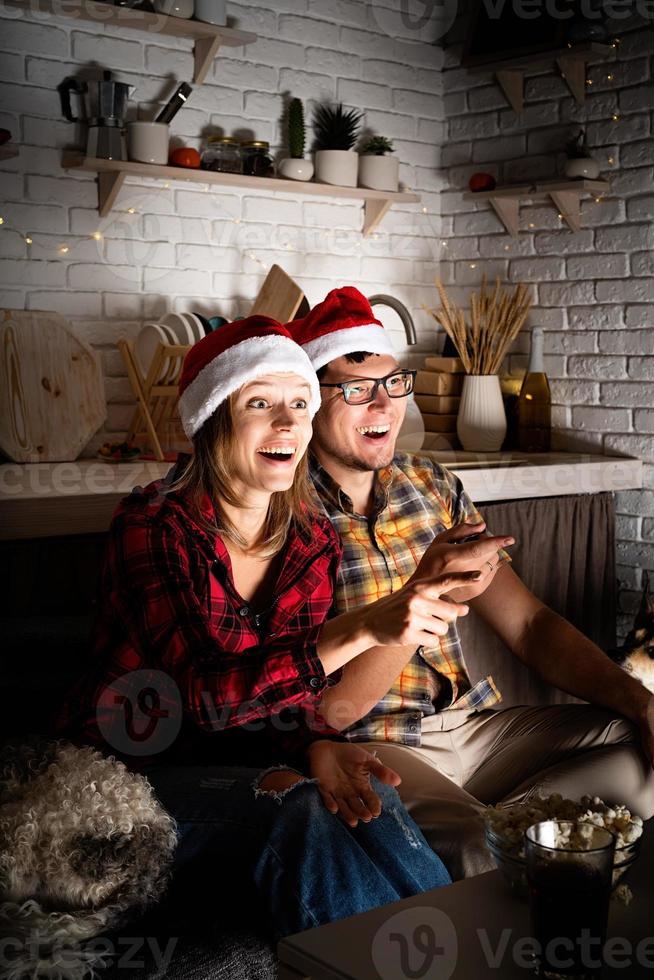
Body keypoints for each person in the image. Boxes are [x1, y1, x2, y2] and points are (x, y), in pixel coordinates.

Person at [57, 315, 465, 940]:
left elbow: (288, 702)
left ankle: (462, 951)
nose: (286, 423)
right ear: (215, 417)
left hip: (243, 762)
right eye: (261, 403)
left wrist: (314, 746)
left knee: (367, 804)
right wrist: (364, 628)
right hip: (127, 777)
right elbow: (204, 699)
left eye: (300, 404)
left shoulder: (311, 539)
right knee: (298, 807)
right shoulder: (155, 526)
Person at [288, 287, 654, 880]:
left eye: (393, 383)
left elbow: (531, 626)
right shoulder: (283, 510)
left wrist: (642, 702)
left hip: (475, 726)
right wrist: (423, 595)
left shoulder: (429, 483)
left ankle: (513, 831)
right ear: (307, 400)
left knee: (640, 743)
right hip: (374, 743)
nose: (382, 406)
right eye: (355, 390)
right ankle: (514, 840)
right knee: (480, 851)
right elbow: (328, 707)